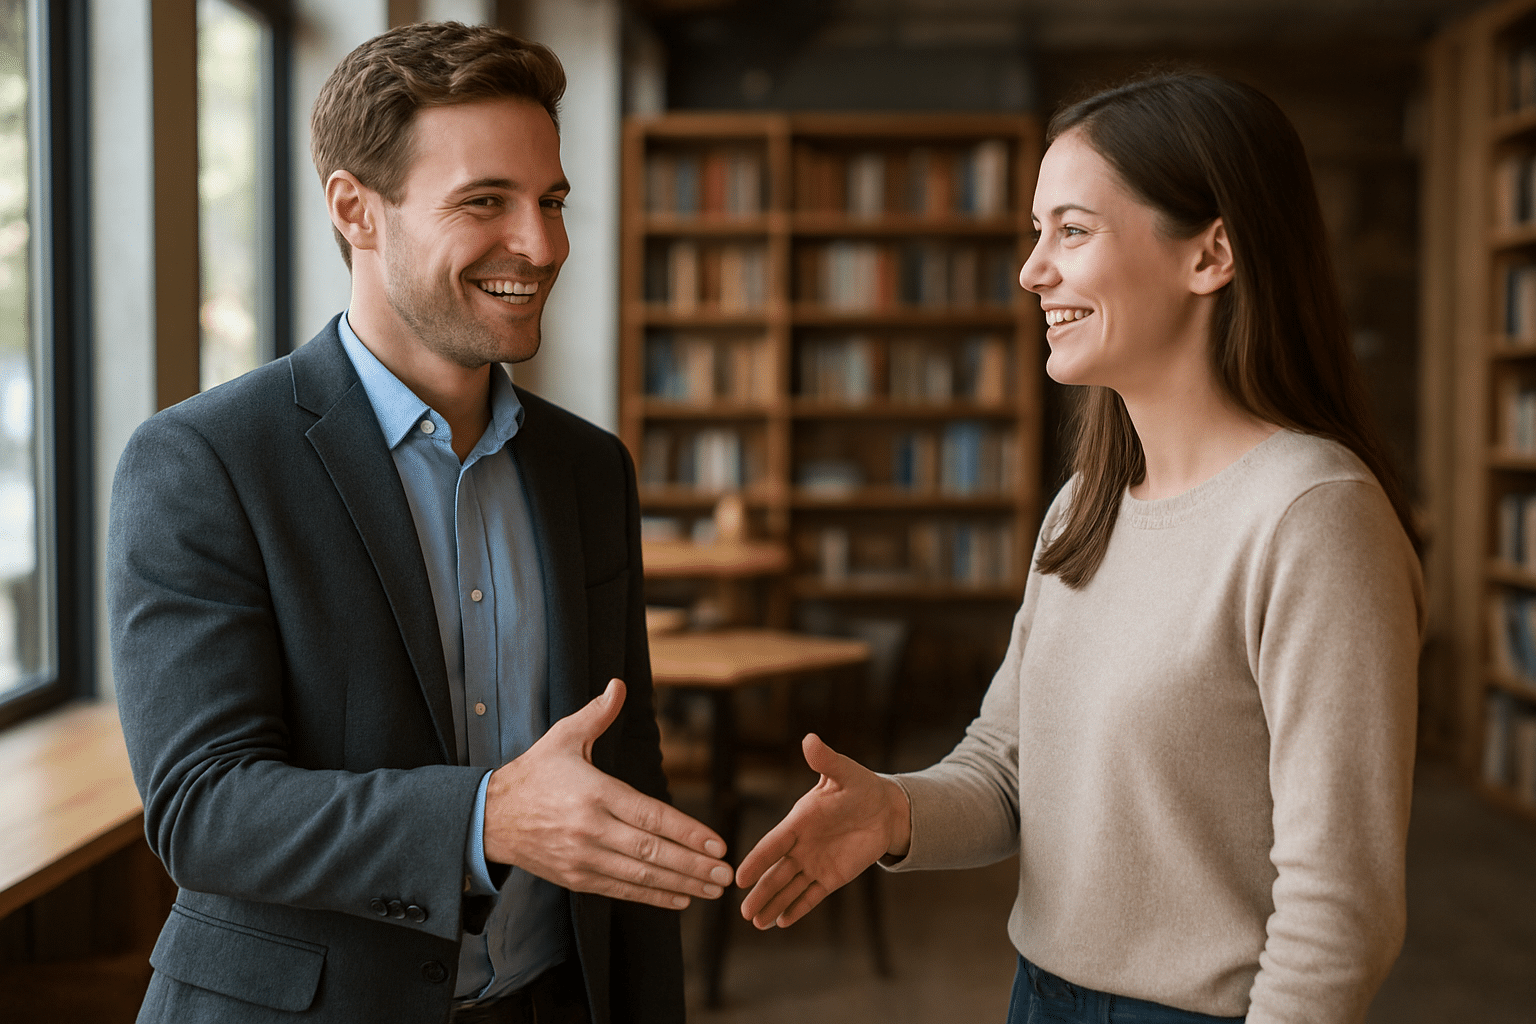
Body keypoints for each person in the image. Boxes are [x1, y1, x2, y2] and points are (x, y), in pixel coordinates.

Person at [736, 73, 1424, 1024]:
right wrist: (893, 811)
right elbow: (1008, 767)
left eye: (1071, 229)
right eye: (1034, 233)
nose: (1032, 271)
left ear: (1211, 253)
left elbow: (1339, 908)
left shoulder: (1312, 515)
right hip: (1038, 997)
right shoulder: (1083, 508)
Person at [108, 22, 731, 1024]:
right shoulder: (202, 461)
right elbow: (203, 808)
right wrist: (487, 818)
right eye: (486, 202)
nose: (543, 243)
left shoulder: (589, 470)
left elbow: (624, 778)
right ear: (356, 208)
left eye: (553, 201)